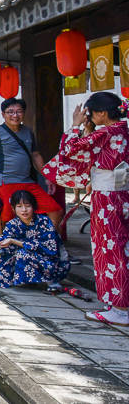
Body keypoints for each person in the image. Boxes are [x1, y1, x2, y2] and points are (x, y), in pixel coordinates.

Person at [55, 92, 129, 326]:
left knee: (110, 251)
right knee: (122, 248)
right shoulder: (123, 130)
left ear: (101, 113)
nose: (90, 117)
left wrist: (75, 125)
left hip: (107, 197)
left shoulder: (106, 132)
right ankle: (119, 303)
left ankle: (119, 308)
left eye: (91, 113)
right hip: (122, 196)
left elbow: (70, 151)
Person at [0, 98, 63, 237]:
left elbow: (36, 155)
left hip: (26, 181)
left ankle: (45, 244)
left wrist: (47, 177)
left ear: (24, 113)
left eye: (19, 111)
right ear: (3, 114)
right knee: (5, 217)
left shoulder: (28, 132)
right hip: (4, 182)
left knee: (55, 210)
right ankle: (4, 250)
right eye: (10, 112)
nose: (15, 115)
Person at [0, 189, 70, 290]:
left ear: (34, 207)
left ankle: (52, 281)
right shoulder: (13, 223)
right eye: (19, 206)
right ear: (13, 208)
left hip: (54, 263)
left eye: (27, 206)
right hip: (31, 256)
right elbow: (5, 238)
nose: (24, 210)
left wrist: (14, 241)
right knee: (7, 257)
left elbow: (49, 248)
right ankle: (29, 280)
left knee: (22, 253)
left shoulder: (44, 222)